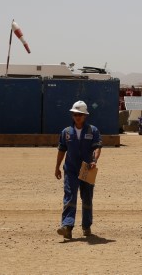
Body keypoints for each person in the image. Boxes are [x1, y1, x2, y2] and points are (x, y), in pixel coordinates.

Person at [55, 100, 102, 239]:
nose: (77, 117)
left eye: (80, 114)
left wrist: (94, 160)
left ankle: (86, 226)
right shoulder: (66, 132)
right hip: (70, 169)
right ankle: (67, 227)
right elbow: (61, 150)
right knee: (70, 196)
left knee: (87, 198)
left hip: (87, 169)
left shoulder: (92, 131)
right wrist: (57, 167)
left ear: (85, 116)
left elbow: (97, 148)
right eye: (75, 114)